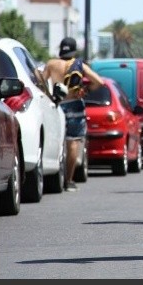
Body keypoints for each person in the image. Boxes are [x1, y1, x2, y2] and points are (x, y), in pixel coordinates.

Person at [43, 37, 105, 192]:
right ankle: (69, 180)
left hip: (58, 105)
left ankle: (53, 175)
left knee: (56, 141)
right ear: (73, 50)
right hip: (75, 105)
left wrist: (50, 96)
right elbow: (99, 82)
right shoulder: (79, 65)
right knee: (73, 142)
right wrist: (85, 90)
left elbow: (41, 83)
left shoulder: (51, 64)